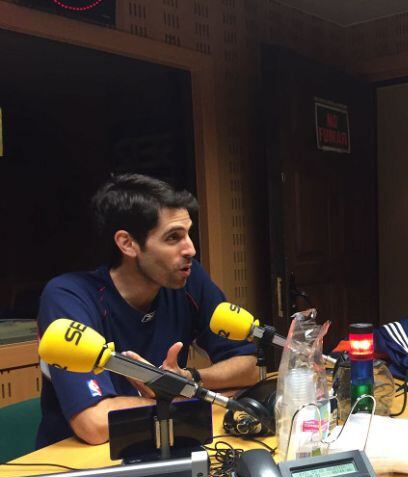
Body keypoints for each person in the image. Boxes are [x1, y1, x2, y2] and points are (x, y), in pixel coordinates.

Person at [36, 174, 261, 448]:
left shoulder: (188, 281)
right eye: (173, 238)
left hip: (162, 443)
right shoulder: (68, 296)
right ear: (127, 243)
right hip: (80, 467)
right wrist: (170, 397)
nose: (190, 248)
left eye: (189, 233)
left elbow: (250, 367)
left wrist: (188, 379)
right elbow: (94, 424)